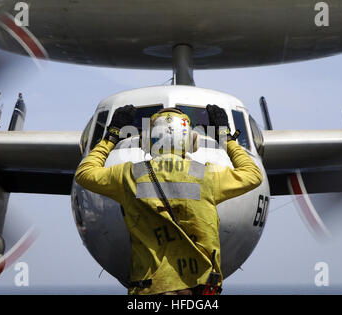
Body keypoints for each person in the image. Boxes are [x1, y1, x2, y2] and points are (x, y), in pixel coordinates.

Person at [74, 104, 263, 295]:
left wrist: (112, 136)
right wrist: (226, 138)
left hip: (151, 289)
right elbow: (253, 175)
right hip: (199, 290)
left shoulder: (130, 175)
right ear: (190, 140)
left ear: (147, 140)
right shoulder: (206, 175)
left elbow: (85, 173)